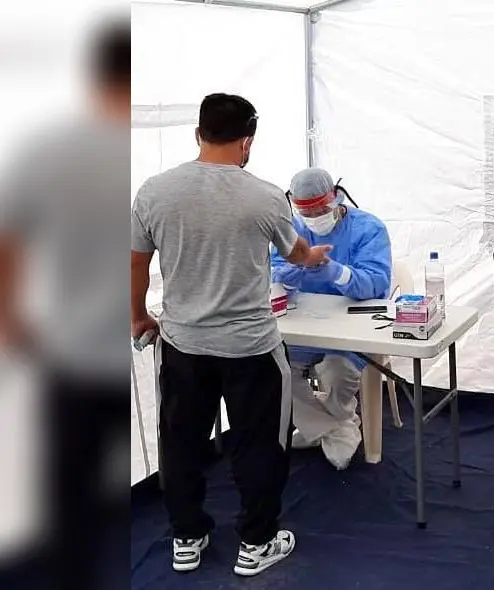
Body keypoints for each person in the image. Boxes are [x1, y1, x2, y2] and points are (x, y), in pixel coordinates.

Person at [131, 93, 332, 576]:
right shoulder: (263, 196)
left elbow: (136, 260)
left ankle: (187, 535)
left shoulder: (155, 191)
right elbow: (296, 250)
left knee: (180, 444)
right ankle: (257, 542)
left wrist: (137, 315)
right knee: (259, 444)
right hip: (250, 349)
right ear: (248, 140)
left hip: (182, 345)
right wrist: (315, 257)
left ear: (198, 134)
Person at [0, 17, 130, 590]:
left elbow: (9, 241)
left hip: (69, 352)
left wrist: (13, 322)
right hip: (122, 345)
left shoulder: (47, 150)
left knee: (69, 498)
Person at [270, 167, 392, 470]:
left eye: (321, 209)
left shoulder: (368, 228)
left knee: (336, 372)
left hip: (352, 332)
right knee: (275, 371)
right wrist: (290, 272)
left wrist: (337, 271)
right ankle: (334, 427)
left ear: (337, 198)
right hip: (304, 330)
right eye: (305, 212)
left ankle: (323, 426)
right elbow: (270, 273)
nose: (314, 217)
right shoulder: (291, 232)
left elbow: (377, 283)